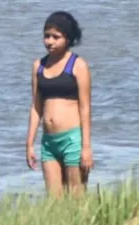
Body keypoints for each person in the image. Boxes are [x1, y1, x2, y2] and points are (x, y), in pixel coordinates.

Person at [26, 11, 93, 198]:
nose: (50, 41)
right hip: (49, 143)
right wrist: (29, 143)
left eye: (56, 37)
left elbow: (85, 108)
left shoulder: (78, 65)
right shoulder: (38, 66)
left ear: (68, 38)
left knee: (77, 198)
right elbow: (36, 106)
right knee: (54, 201)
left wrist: (86, 148)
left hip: (73, 140)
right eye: (46, 36)